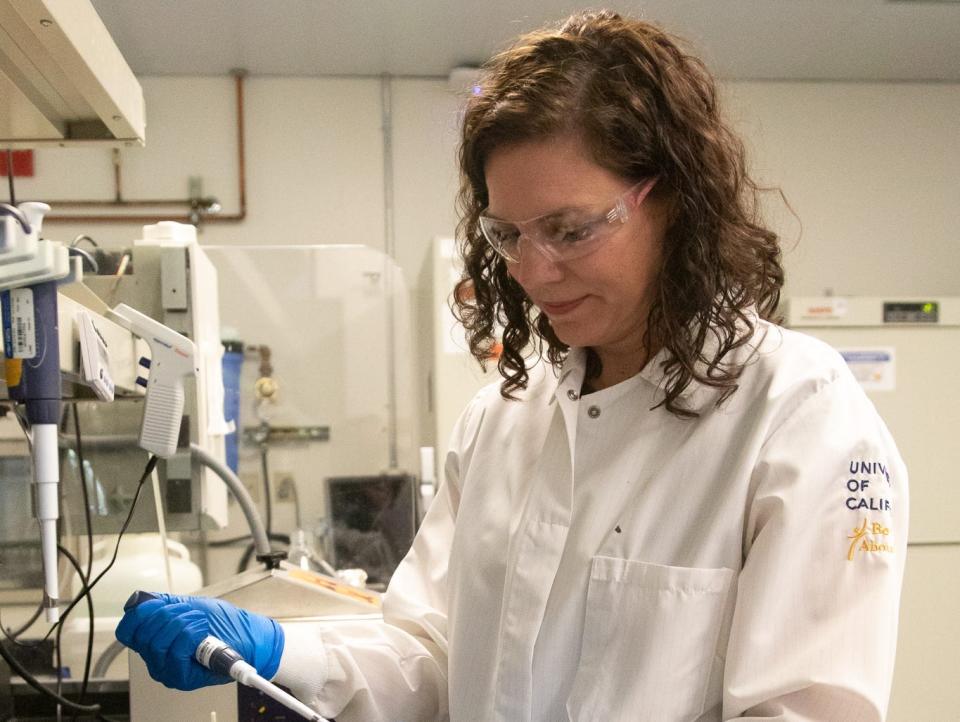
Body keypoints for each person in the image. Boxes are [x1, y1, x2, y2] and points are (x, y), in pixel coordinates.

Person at [116, 10, 908, 721]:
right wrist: (286, 655)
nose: (532, 272)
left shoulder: (799, 416)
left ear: (671, 200)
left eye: (569, 230)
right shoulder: (503, 421)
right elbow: (429, 656)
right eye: (508, 235)